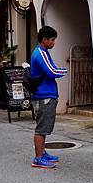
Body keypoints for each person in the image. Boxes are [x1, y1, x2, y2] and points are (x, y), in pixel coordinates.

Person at [30, 26, 67, 168]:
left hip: (46, 94)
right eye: (52, 40)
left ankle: (42, 153)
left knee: (44, 127)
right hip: (43, 95)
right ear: (44, 40)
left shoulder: (43, 51)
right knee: (41, 128)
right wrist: (64, 70)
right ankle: (38, 158)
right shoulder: (40, 53)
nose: (54, 42)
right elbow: (52, 71)